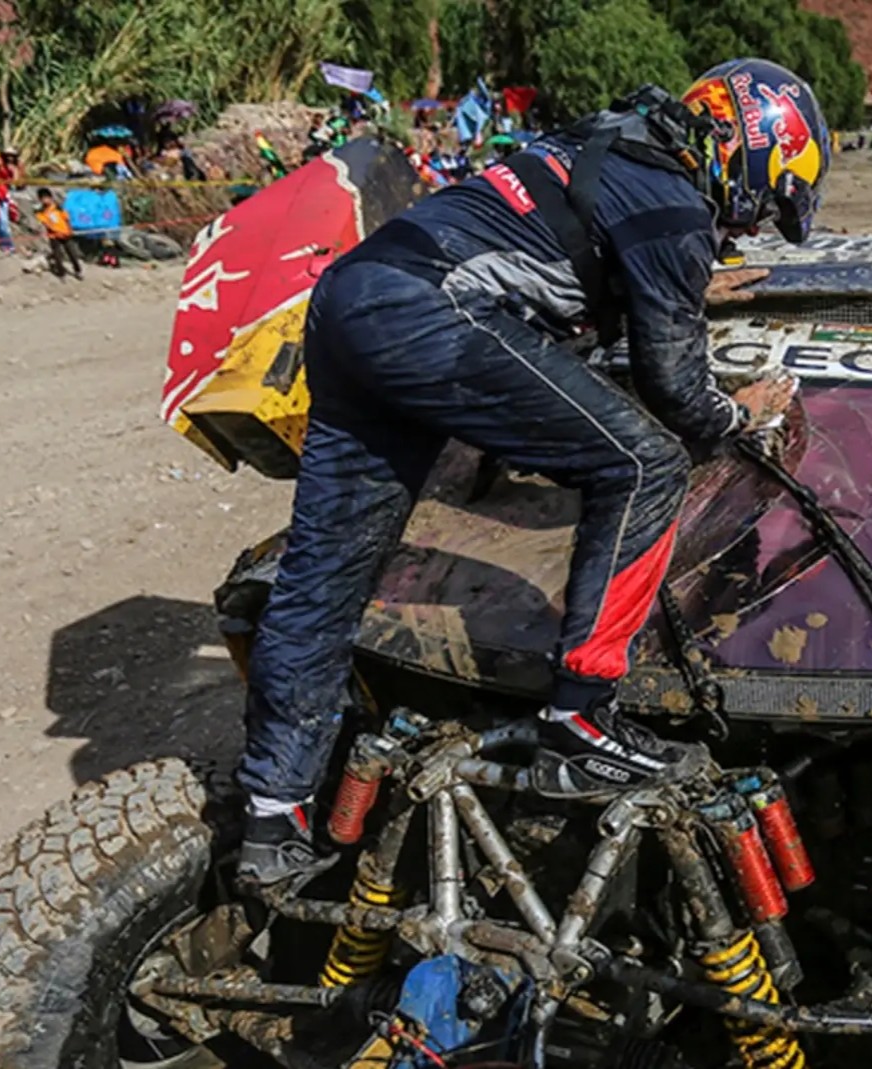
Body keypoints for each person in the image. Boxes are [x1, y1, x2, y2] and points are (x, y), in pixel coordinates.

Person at [237, 58, 830, 886]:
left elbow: (554, 297)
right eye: (766, 204)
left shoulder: (606, 139)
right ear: (754, 155)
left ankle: (271, 818)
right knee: (645, 463)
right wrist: (745, 415)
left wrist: (684, 297)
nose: (751, 226)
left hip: (350, 301)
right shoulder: (673, 206)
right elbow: (676, 393)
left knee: (326, 577)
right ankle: (583, 723)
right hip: (429, 312)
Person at [34, 188, 82, 280]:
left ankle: (78, 271)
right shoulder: (41, 212)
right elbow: (46, 224)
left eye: (47, 198)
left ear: (51, 198)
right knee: (58, 256)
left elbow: (67, 219)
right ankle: (61, 274)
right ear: (40, 200)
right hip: (54, 237)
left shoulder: (58, 208)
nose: (45, 200)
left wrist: (69, 230)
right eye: (43, 199)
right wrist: (55, 232)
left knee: (72, 253)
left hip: (66, 234)